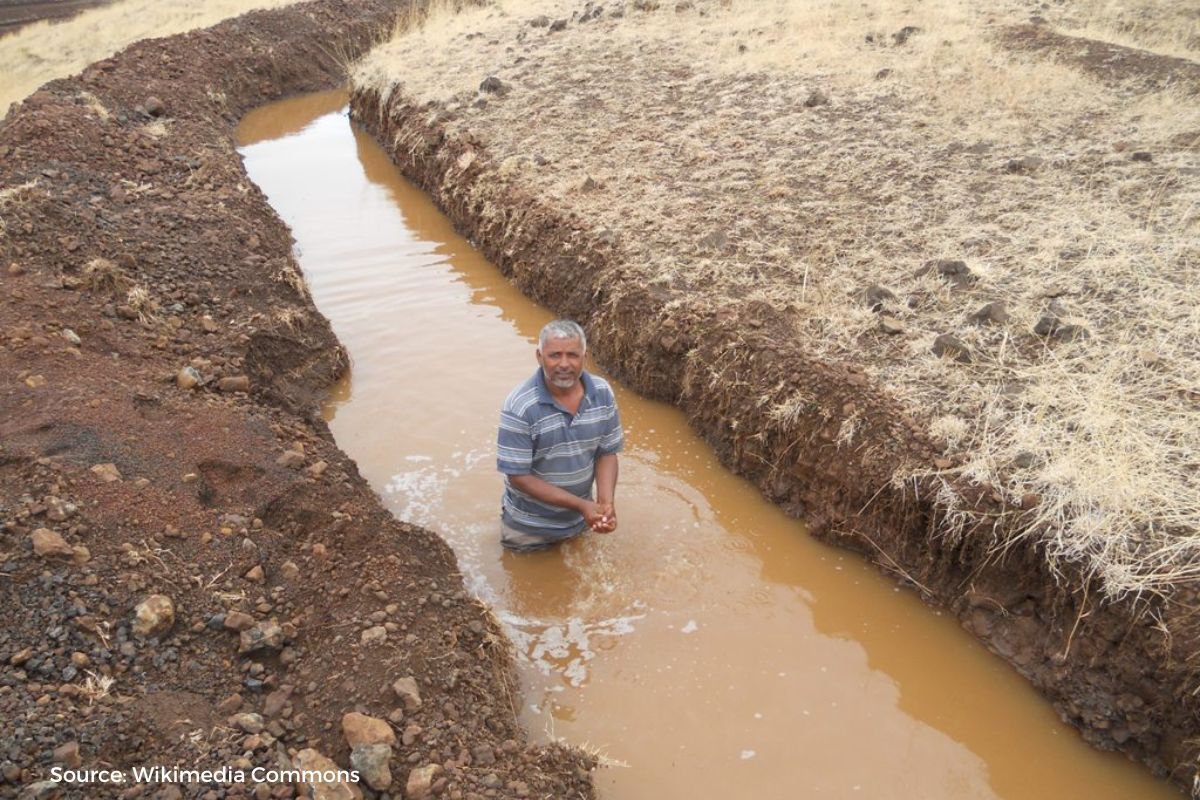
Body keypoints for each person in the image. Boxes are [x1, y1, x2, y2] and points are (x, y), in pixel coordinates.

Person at [496, 320, 623, 552]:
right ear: (539, 356)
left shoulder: (602, 393)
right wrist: (582, 505)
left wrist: (605, 504)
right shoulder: (520, 406)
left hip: (581, 522)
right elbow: (518, 476)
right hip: (528, 531)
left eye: (572, 355)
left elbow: (606, 453)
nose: (564, 364)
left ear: (584, 356)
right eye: (555, 355)